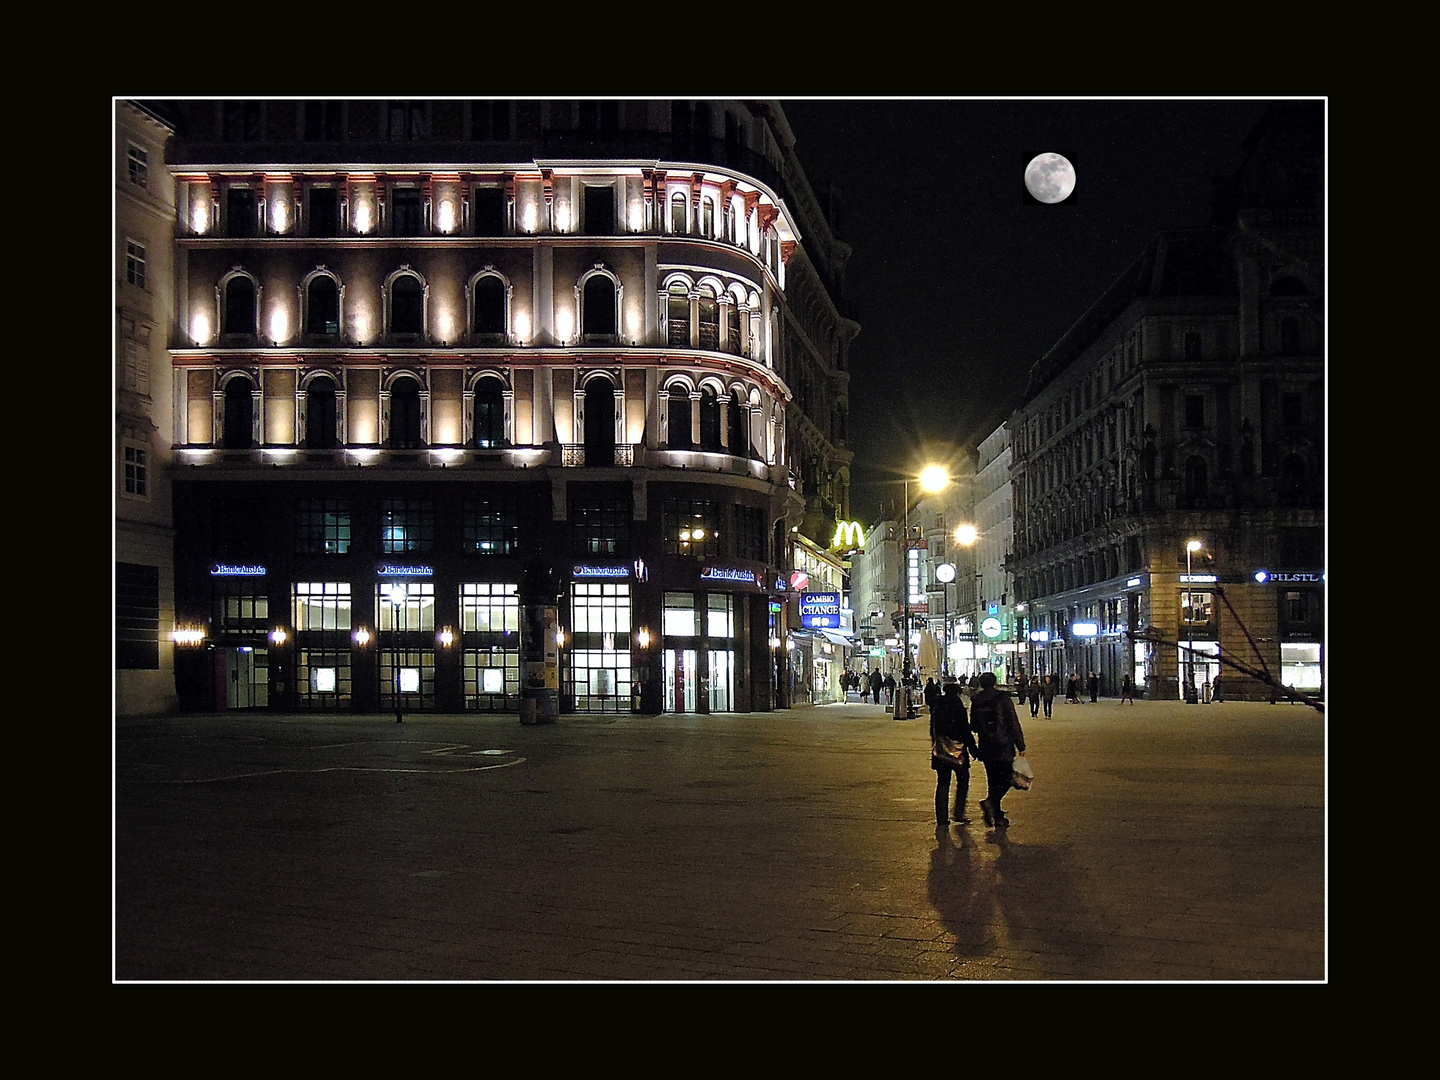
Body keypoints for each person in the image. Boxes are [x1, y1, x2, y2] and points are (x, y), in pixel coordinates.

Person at [970, 672, 1027, 828]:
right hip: (1003, 745)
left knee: (993, 780)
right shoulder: (1003, 699)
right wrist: (1020, 745)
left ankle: (996, 815)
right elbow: (1012, 722)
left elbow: (973, 725)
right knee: (1008, 778)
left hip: (986, 745)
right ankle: (991, 803)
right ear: (995, 683)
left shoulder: (977, 700)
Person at [930, 679, 979, 826]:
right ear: (958, 693)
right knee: (963, 780)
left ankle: (942, 818)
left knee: (943, 783)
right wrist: (973, 748)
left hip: (941, 749)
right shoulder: (958, 706)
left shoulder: (937, 706)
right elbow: (964, 729)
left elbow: (933, 728)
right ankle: (959, 812)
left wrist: (936, 742)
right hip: (958, 750)